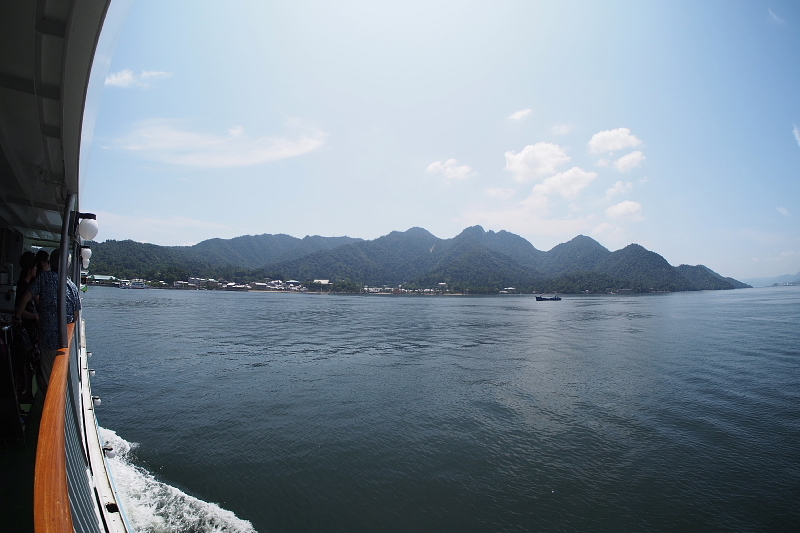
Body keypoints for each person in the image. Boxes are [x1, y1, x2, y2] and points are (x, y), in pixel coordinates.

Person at [14, 248, 81, 392]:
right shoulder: (73, 287)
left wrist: (17, 317)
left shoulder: (44, 278)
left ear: (52, 263)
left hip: (47, 338)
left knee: (46, 378)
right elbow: (75, 316)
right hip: (64, 341)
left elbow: (25, 298)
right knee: (60, 377)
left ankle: (45, 407)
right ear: (67, 266)